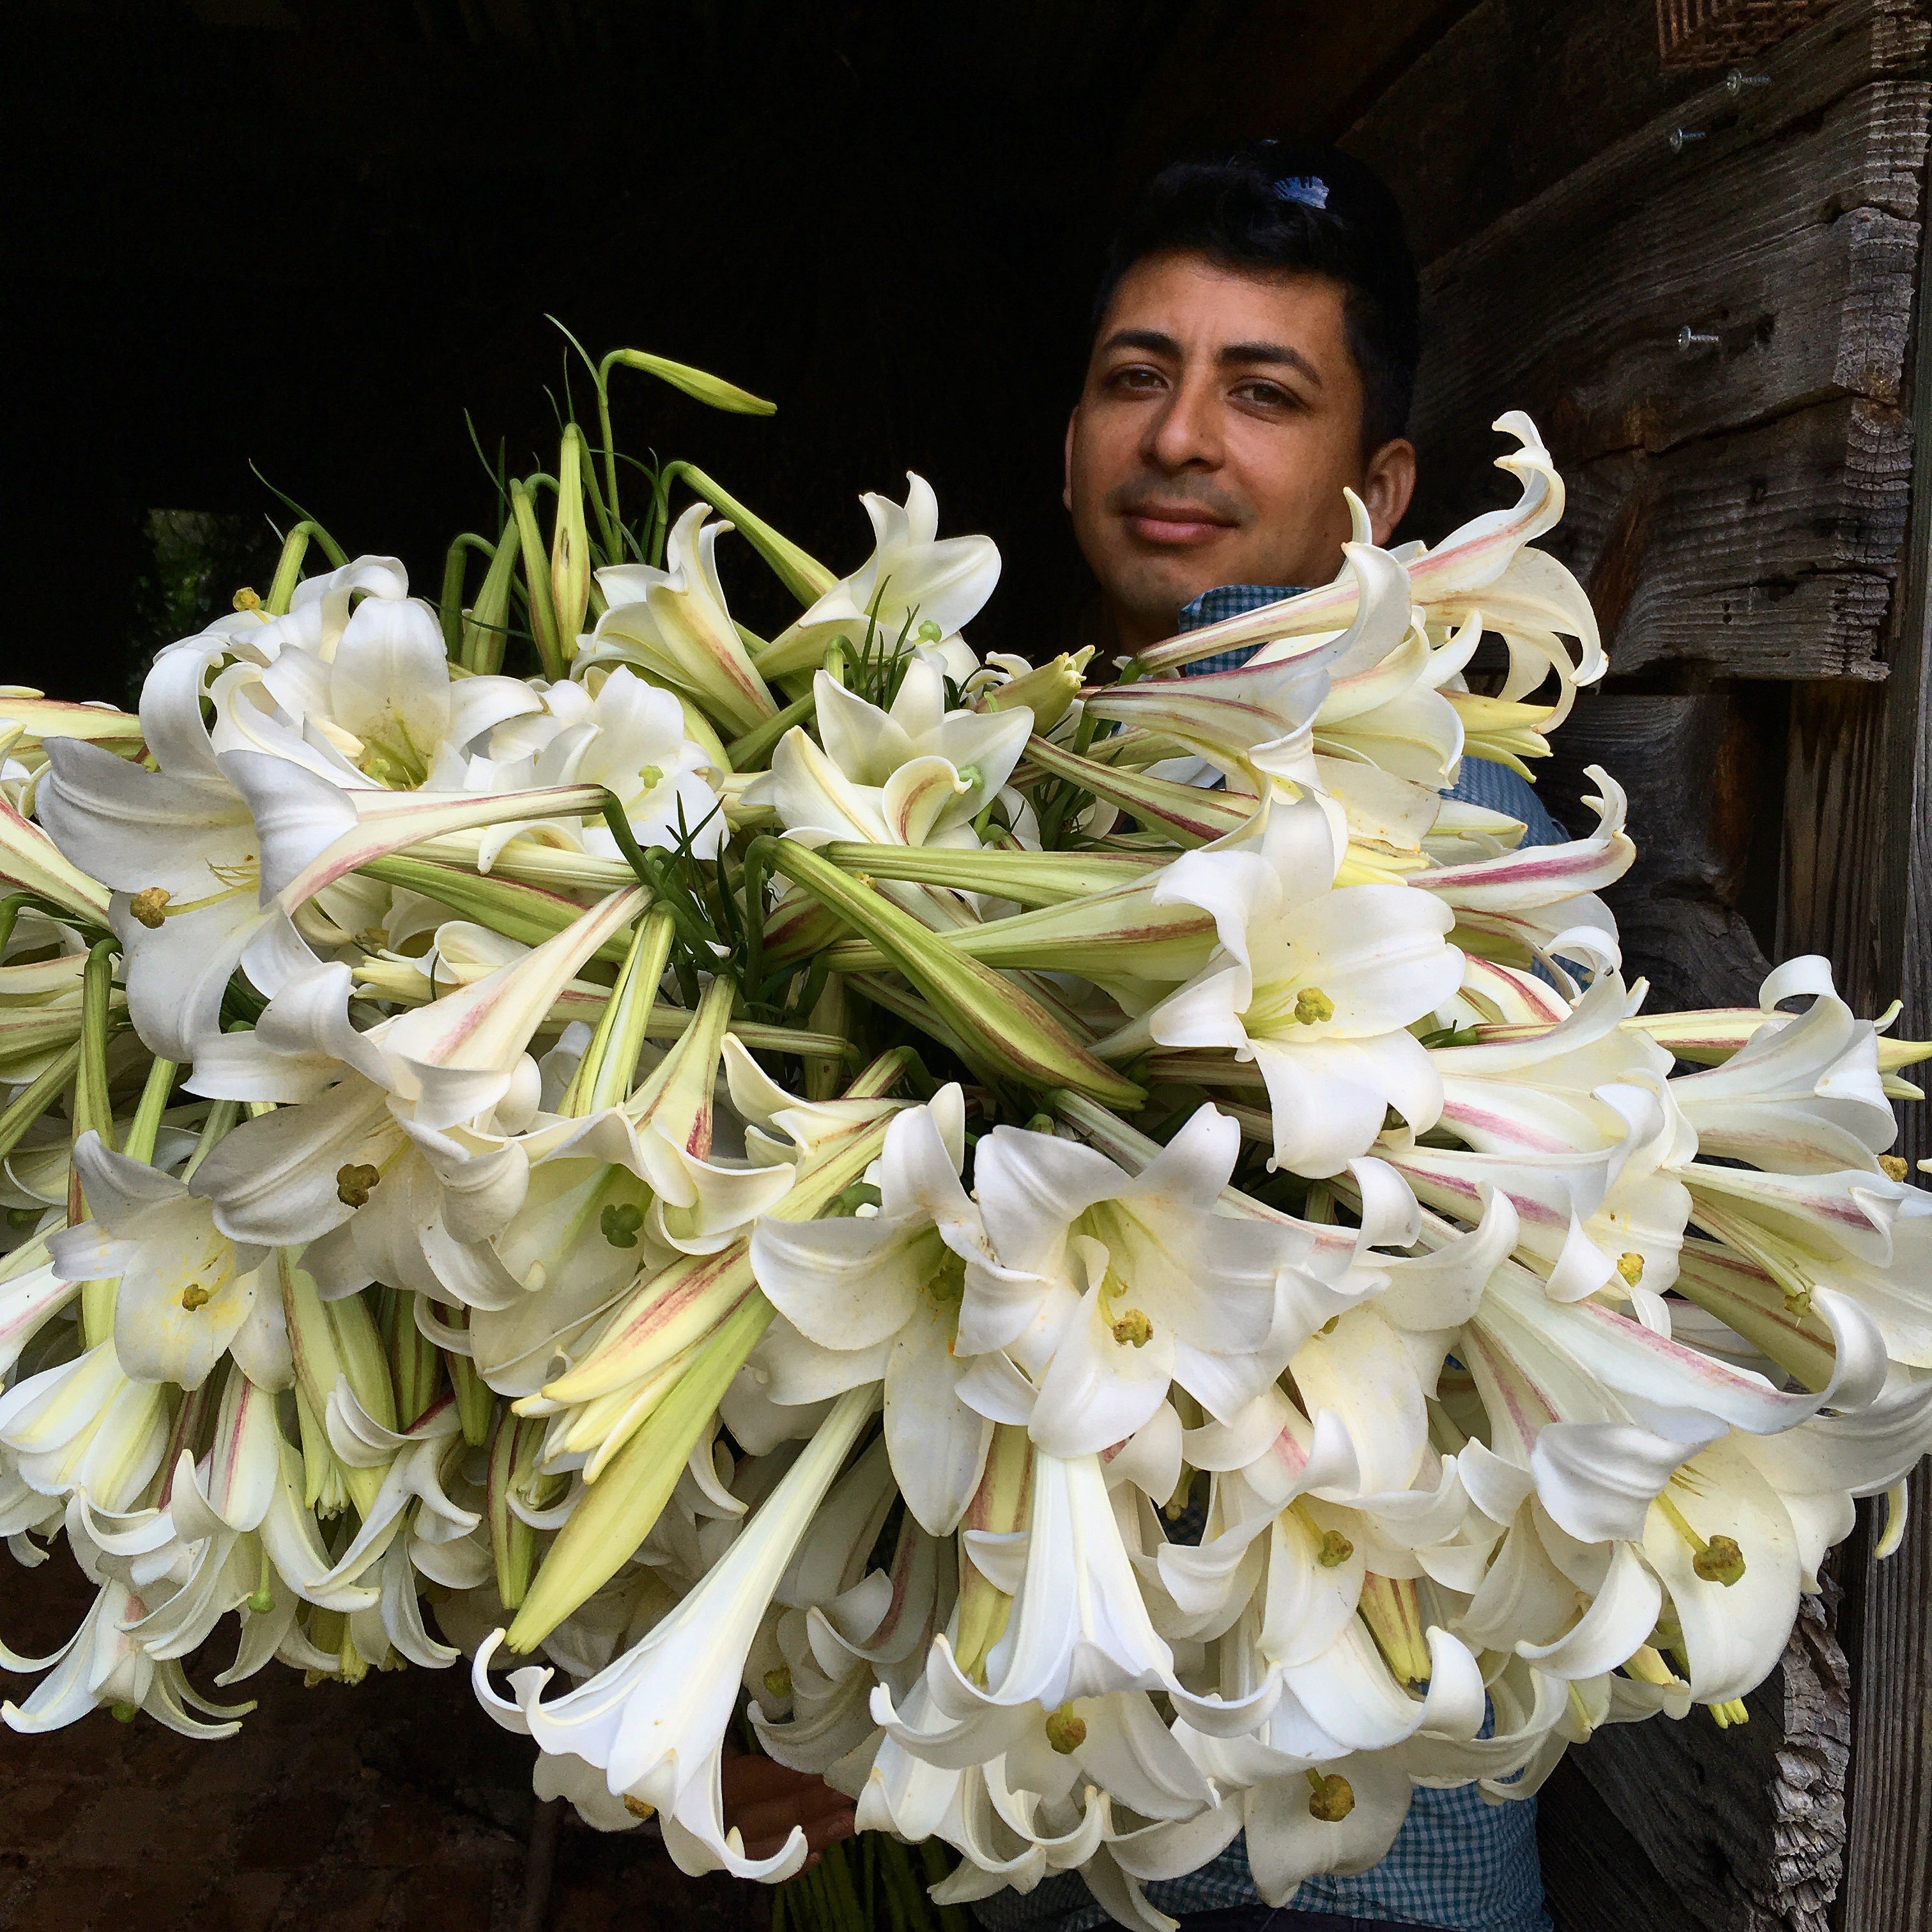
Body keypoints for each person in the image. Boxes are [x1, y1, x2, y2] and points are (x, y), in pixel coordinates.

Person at [724, 141, 1563, 1932]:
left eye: (1265, 394)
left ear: (1381, 484)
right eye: (1136, 378)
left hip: (1352, 1858)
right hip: (1044, 1798)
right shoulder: (1001, 760)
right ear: (1067, 440)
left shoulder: (1431, 779)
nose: (1180, 437)